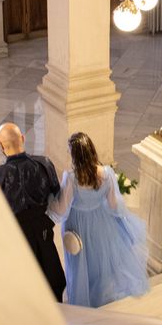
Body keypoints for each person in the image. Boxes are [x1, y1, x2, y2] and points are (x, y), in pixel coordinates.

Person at [46, 132, 149, 307]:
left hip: (77, 225)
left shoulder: (71, 178)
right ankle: (99, 297)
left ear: (75, 155)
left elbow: (62, 208)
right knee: (98, 261)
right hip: (101, 223)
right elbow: (114, 205)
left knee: (81, 264)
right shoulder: (107, 174)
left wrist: (49, 203)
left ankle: (83, 300)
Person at [0, 122, 66, 302]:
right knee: (53, 280)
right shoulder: (44, 164)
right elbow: (56, 193)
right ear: (23, 139)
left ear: (0, 145)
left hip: (17, 236)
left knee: (24, 286)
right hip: (43, 231)